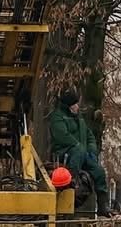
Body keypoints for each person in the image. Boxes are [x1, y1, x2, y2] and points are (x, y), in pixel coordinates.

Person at [48, 89, 109, 217]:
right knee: (78, 150)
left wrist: (92, 150)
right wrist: (78, 145)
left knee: (99, 171)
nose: (77, 107)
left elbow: (89, 135)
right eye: (74, 104)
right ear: (68, 106)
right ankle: (72, 181)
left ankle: (103, 206)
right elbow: (61, 136)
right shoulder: (57, 117)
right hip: (65, 154)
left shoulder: (79, 119)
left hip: (82, 154)